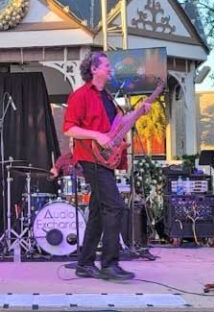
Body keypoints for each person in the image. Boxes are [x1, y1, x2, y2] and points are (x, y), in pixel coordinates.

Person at [62, 51, 154, 282]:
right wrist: (96, 135)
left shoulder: (109, 97)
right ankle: (109, 264)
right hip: (90, 158)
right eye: (105, 66)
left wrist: (141, 111)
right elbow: (69, 128)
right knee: (115, 207)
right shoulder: (80, 95)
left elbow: (119, 126)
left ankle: (85, 263)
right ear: (93, 69)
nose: (110, 69)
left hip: (106, 160)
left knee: (97, 212)